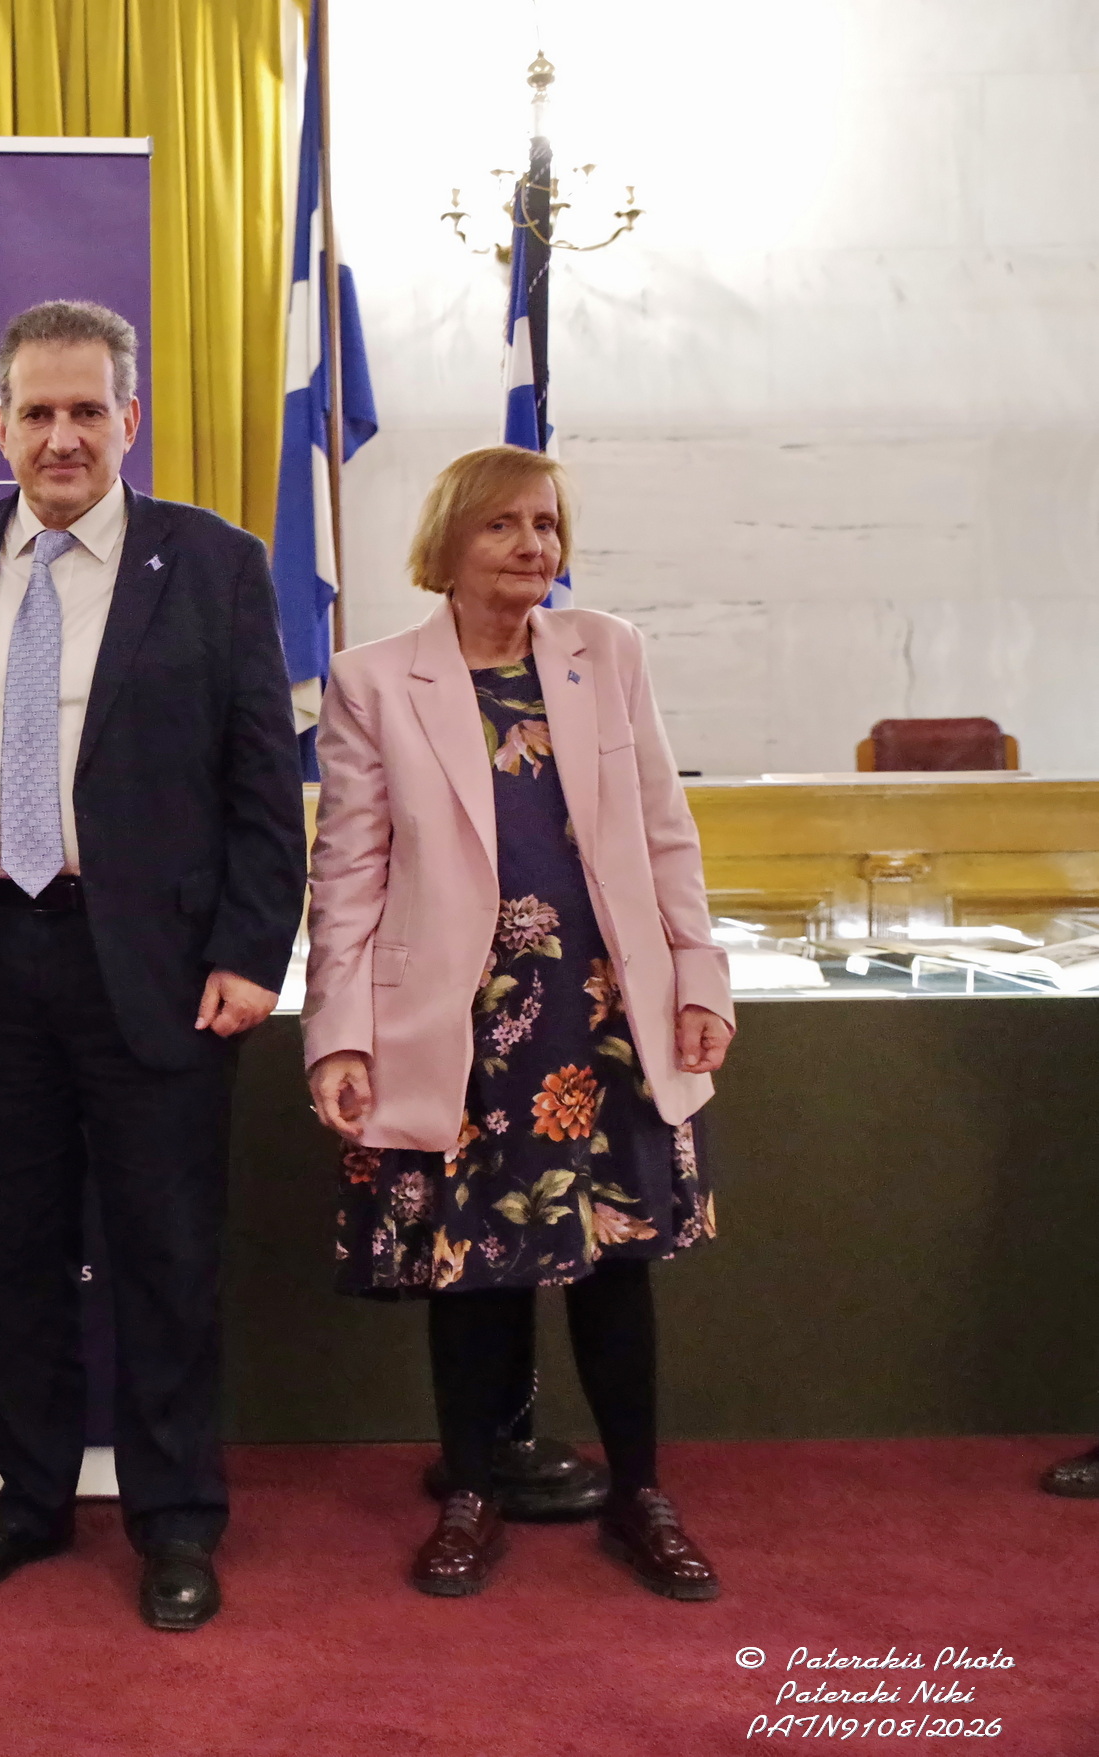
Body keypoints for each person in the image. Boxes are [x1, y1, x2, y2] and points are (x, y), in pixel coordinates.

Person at [0, 301, 306, 1633]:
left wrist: (251, 950)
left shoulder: (214, 563)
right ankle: (28, 1499)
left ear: (131, 417)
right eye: (35, 412)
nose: (59, 436)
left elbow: (260, 777)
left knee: (164, 1255)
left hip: (158, 969)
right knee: (5, 1251)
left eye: (84, 411)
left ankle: (174, 1516)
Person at [303, 444, 736, 1602]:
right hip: (464, 1026)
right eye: (500, 524)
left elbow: (665, 830)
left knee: (615, 1261)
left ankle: (641, 1493)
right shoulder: (372, 680)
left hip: (604, 1015)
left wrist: (700, 979)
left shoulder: (608, 652)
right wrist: (338, 1031)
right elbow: (346, 873)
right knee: (473, 1269)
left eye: (544, 524)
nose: (530, 545)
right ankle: (473, 1488)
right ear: (446, 544)